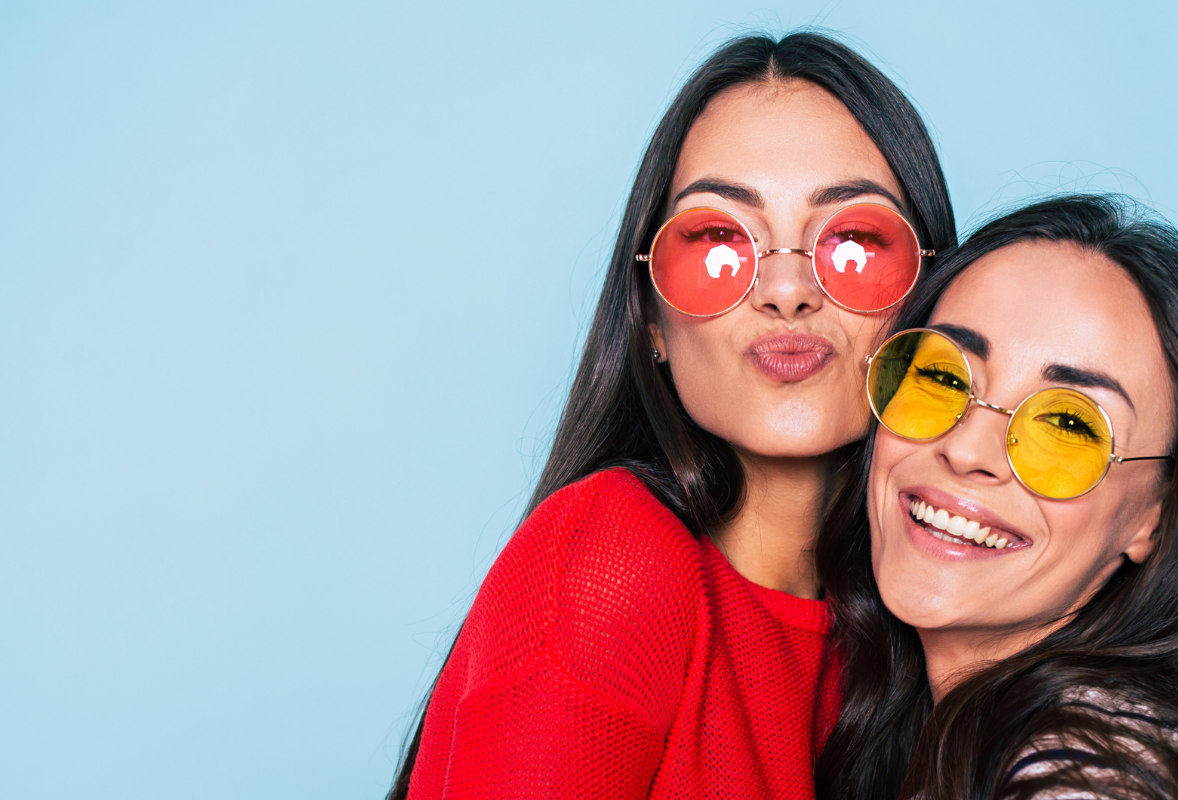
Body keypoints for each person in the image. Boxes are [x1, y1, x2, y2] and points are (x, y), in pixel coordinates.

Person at [389, 32, 955, 800]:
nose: (787, 290)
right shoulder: (609, 566)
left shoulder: (918, 633)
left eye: (852, 242)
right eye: (720, 241)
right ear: (652, 320)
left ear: (928, 300)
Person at [815, 195, 1178, 800]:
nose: (968, 449)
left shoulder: (1091, 775)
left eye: (1069, 425)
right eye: (944, 376)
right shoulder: (946, 738)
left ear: (1156, 517)